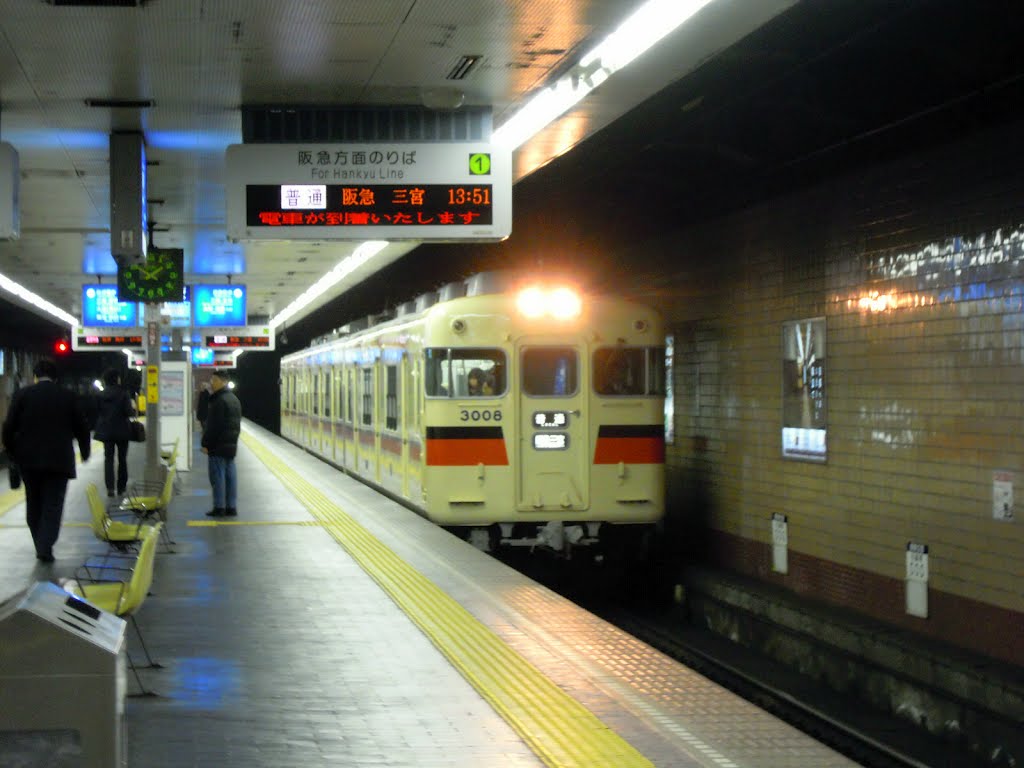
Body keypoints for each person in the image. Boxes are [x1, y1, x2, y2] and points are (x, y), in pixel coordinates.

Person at [1, 358, 91, 562]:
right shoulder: (67, 396)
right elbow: (82, 427)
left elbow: (9, 426)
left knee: (33, 502)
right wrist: (85, 451)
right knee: (53, 504)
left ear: (35, 375)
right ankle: (45, 545)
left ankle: (40, 543)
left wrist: (11, 452)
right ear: (55, 376)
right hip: (59, 461)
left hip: (28, 461)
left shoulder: (22, 395)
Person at [202, 371, 241, 517]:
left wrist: (206, 443)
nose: (211, 383)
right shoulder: (234, 399)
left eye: (214, 380)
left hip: (218, 446)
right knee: (231, 476)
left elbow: (213, 426)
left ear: (222, 381)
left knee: (217, 477)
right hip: (231, 445)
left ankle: (219, 507)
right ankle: (231, 507)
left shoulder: (219, 401)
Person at [93, 367, 134, 497]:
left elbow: (97, 411)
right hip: (122, 431)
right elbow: (129, 412)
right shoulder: (123, 393)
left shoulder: (100, 394)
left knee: (108, 459)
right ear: (117, 379)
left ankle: (110, 488)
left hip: (107, 431)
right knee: (122, 459)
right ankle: (121, 488)